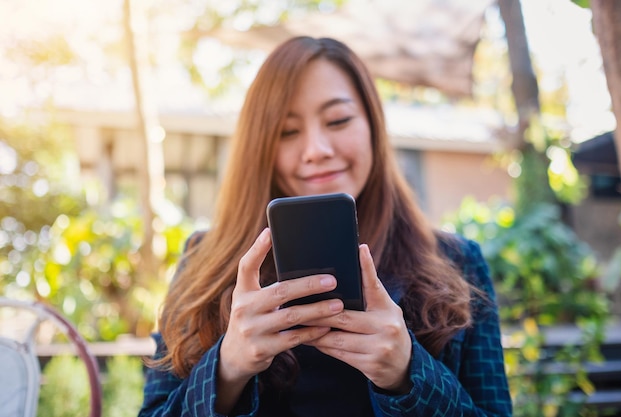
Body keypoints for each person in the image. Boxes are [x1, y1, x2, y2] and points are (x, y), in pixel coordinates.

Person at [139, 36, 512, 417]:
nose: (316, 149)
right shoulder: (205, 259)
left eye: (338, 120)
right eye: (287, 131)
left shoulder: (457, 262)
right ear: (260, 147)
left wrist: (409, 373)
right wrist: (227, 367)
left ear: (373, 125)